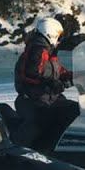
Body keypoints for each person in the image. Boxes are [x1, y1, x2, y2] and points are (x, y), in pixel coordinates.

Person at [13, 17, 79, 151]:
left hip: (49, 99)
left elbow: (59, 71)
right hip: (33, 100)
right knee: (39, 123)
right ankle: (18, 150)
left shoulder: (48, 53)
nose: (59, 39)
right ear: (50, 33)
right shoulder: (37, 50)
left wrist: (78, 75)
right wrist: (50, 83)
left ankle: (67, 147)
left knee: (75, 110)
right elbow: (31, 73)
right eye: (58, 35)